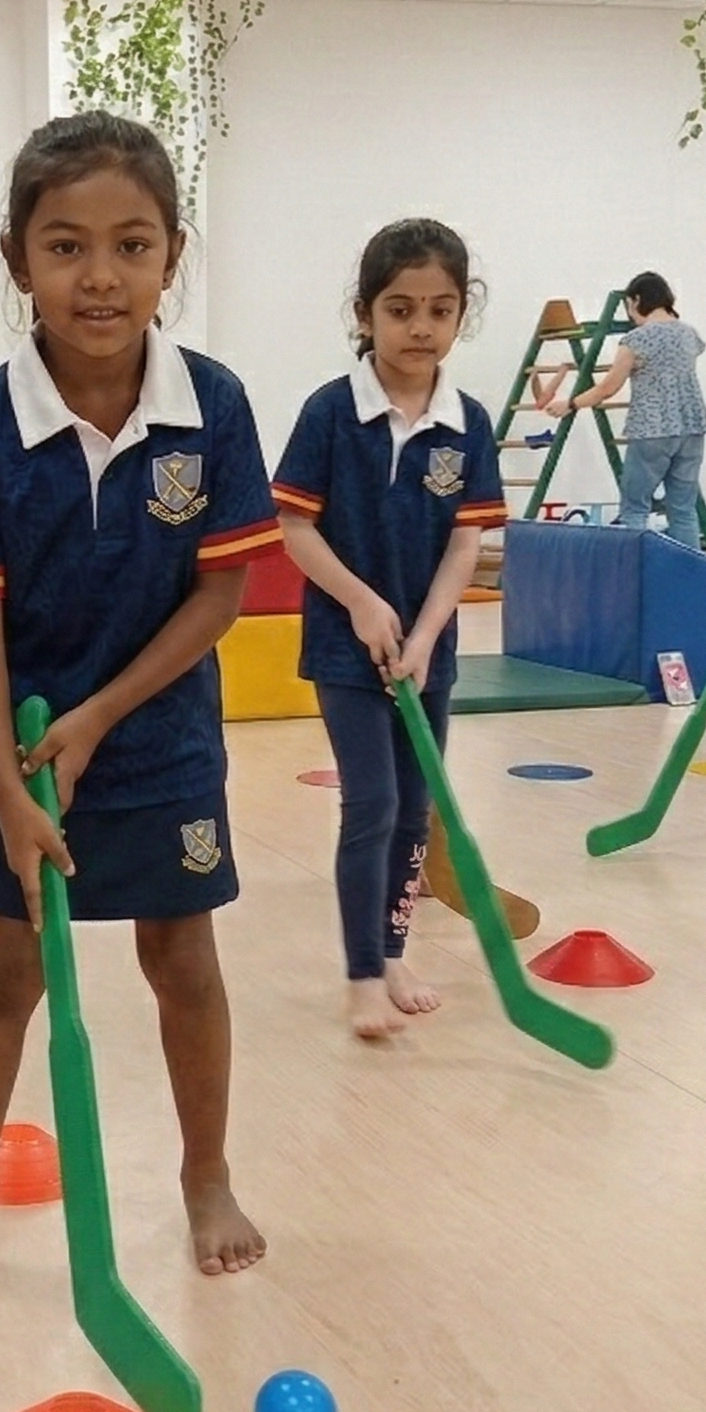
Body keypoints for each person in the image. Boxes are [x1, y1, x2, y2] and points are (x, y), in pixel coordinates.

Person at [0, 113, 282, 1328]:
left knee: (183, 959)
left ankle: (206, 1175)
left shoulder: (210, 406)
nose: (100, 276)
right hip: (20, 743)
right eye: (65, 246)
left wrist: (109, 712)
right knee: (6, 974)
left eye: (131, 244)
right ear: (16, 259)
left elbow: (220, 591)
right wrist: (7, 784)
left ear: (173, 253)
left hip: (160, 738)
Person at [273, 219, 506, 1041]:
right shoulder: (332, 413)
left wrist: (426, 631)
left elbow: (466, 543)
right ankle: (363, 974)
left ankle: (394, 947)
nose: (420, 328)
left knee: (416, 809)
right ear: (365, 312)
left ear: (459, 315)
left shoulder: (468, 422)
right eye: (400, 308)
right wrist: (365, 604)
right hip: (347, 649)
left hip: (426, 655)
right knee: (371, 802)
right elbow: (296, 529)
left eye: (440, 310)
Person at [539, 271, 706, 547]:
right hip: (692, 426)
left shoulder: (636, 340)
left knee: (635, 508)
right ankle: (687, 577)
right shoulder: (690, 334)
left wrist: (570, 404)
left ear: (637, 300)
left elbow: (608, 387)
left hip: (652, 428)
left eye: (630, 306)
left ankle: (635, 573)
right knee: (683, 510)